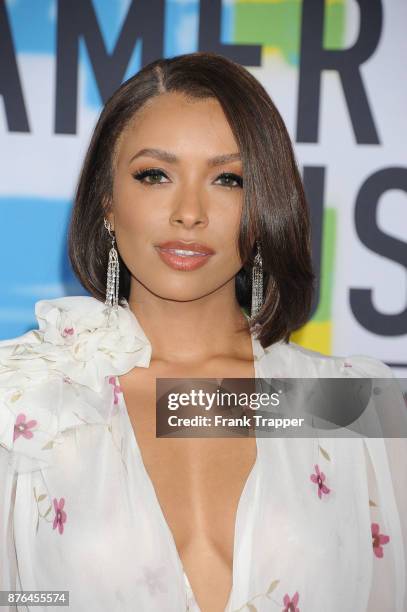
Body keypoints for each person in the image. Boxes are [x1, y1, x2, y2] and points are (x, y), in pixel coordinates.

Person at [0, 52, 406, 612]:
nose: (189, 211)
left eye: (227, 179)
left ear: (264, 205)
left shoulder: (346, 404)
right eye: (155, 175)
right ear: (107, 203)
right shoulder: (26, 398)